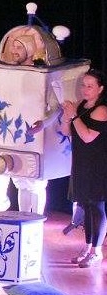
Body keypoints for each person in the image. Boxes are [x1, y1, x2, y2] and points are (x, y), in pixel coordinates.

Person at [62, 69, 107, 268]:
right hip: (81, 163)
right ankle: (87, 247)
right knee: (86, 206)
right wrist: (67, 117)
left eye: (90, 86)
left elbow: (88, 136)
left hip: (97, 165)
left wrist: (74, 116)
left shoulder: (101, 109)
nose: (85, 89)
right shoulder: (81, 106)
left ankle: (97, 251)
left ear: (100, 89)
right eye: (83, 85)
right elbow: (68, 132)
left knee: (96, 206)